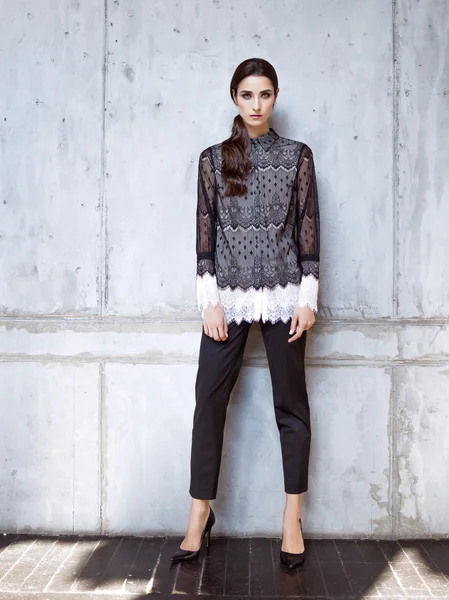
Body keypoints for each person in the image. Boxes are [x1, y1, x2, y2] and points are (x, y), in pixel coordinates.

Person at [171, 57, 320, 570]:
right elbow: (205, 236)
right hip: (228, 298)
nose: (256, 105)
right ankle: (198, 515)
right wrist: (209, 298)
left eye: (265, 95)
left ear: (275, 97)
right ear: (234, 98)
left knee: (291, 407)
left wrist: (307, 296)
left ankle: (291, 519)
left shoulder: (298, 157)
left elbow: (308, 230)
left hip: (284, 297)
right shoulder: (212, 160)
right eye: (247, 95)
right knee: (207, 401)